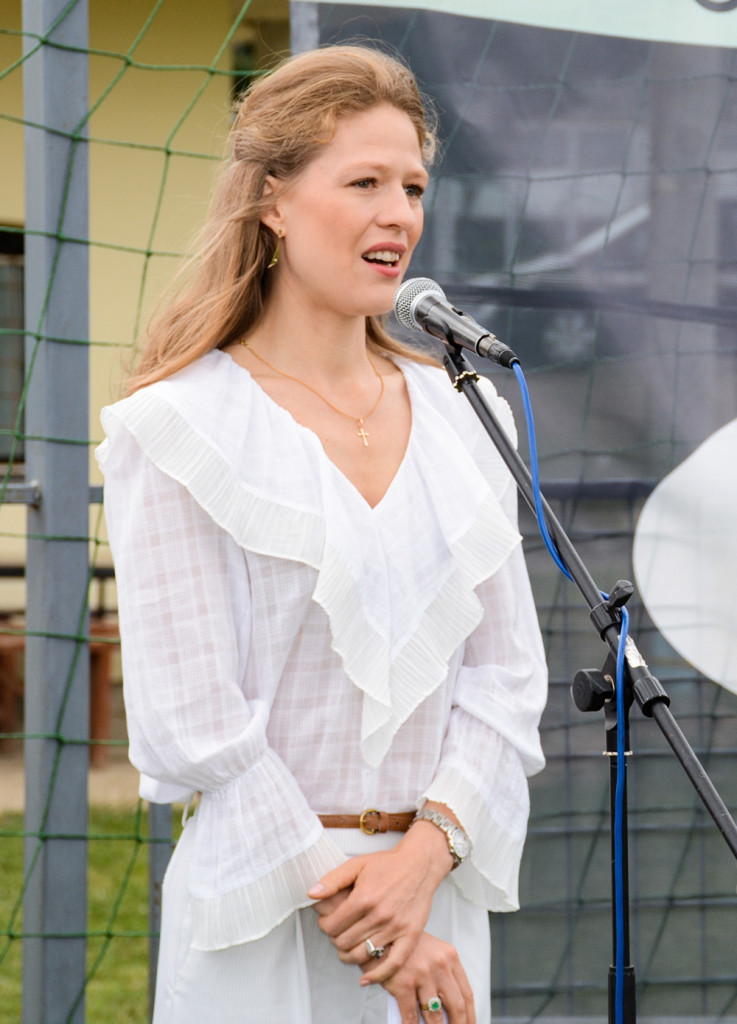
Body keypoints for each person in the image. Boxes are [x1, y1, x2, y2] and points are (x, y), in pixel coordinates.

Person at [97, 44, 547, 1024]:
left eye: (412, 186)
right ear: (273, 199)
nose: (400, 214)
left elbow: (505, 682)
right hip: (265, 913)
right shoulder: (176, 428)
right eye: (364, 182)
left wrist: (422, 861)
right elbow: (193, 723)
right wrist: (381, 926)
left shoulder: (466, 416)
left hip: (435, 893)